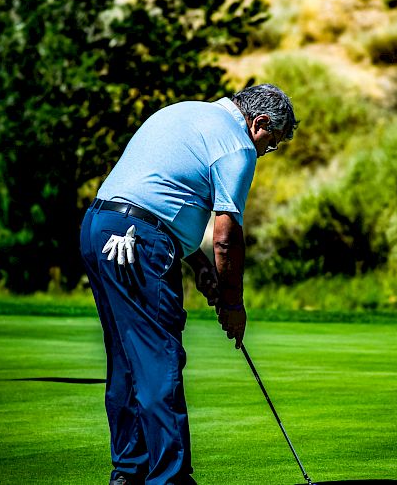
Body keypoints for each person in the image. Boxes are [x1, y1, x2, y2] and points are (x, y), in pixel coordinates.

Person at [79, 83, 297, 485]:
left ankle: (129, 472)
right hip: (136, 241)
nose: (267, 152)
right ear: (260, 123)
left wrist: (199, 266)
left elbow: (161, 197)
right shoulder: (238, 146)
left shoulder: (187, 112)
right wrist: (233, 303)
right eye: (272, 144)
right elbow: (226, 234)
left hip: (98, 228)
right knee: (159, 359)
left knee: (128, 360)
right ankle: (171, 479)